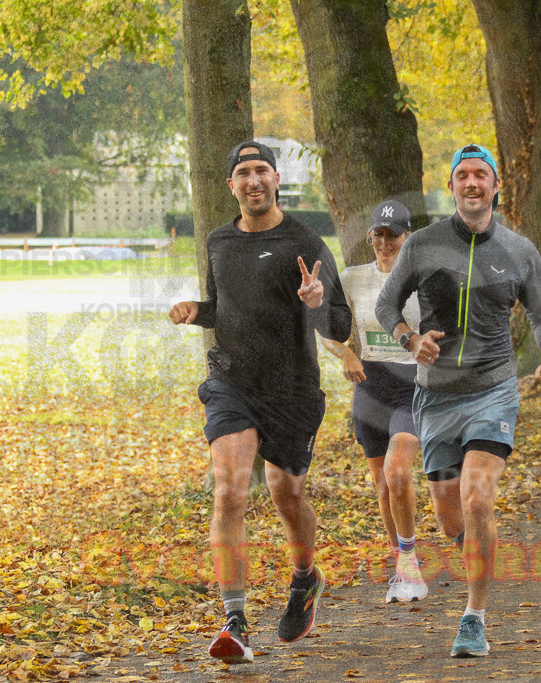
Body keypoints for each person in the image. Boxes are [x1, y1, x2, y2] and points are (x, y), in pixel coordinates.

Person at [375, 143, 541, 658]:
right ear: (452, 186)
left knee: (477, 498)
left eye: (481, 174)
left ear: (496, 185)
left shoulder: (519, 250)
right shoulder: (424, 244)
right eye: (463, 175)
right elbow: (387, 304)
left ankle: (474, 618)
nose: (472, 183)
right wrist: (410, 340)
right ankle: (482, 551)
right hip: (436, 397)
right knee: (450, 518)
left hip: (492, 391)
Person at [169, 140, 351, 664]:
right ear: (231, 185)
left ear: (276, 180)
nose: (254, 180)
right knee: (229, 491)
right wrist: (197, 310)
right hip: (232, 383)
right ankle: (236, 621)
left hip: (291, 390)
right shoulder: (219, 241)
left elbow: (339, 324)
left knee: (286, 494)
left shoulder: (305, 241)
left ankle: (305, 578)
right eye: (244, 173)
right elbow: (226, 309)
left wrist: (316, 302)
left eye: (262, 171)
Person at [320, 199, 427, 604]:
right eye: (378, 235)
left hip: (412, 387)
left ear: (407, 237)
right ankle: (402, 561)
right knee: (383, 485)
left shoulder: (423, 280)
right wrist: (345, 353)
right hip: (370, 386)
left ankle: (410, 561)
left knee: (398, 472)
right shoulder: (353, 278)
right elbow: (326, 330)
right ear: (370, 237)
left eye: (392, 235)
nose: (384, 243)